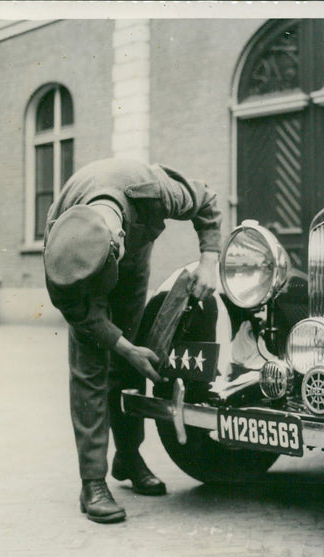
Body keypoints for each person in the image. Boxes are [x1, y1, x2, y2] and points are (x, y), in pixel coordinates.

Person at [43, 158, 221, 523]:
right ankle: (92, 482)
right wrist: (121, 344)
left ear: (119, 237)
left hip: (135, 267)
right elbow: (81, 314)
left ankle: (128, 456)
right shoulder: (60, 250)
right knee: (91, 371)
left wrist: (209, 260)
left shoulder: (154, 191)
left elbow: (206, 199)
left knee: (130, 364)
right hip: (86, 289)